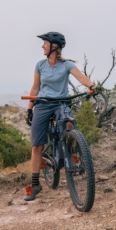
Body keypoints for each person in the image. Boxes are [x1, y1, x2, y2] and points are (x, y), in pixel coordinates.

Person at [25, 32, 98, 201]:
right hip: (43, 104)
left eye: (45, 43)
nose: (42, 46)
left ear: (54, 47)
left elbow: (81, 77)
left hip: (61, 103)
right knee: (37, 146)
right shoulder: (40, 65)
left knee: (70, 124)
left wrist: (92, 85)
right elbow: (35, 88)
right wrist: (30, 109)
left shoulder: (66, 65)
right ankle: (35, 184)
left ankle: (73, 155)